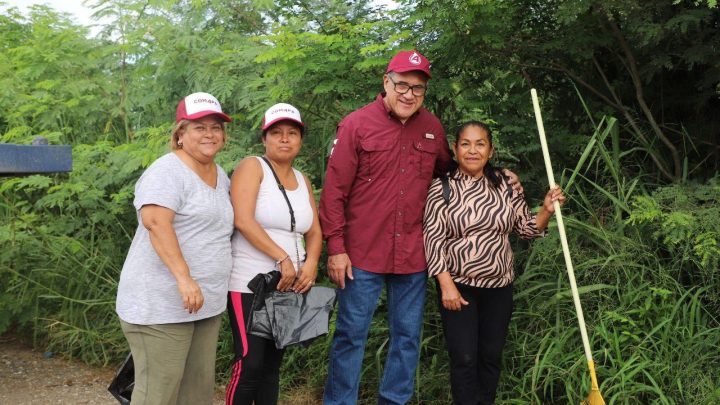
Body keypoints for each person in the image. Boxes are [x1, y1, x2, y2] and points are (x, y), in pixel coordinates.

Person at [319, 50, 521, 405]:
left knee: (407, 338)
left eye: (418, 88)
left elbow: (453, 171)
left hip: (413, 254)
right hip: (361, 254)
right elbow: (333, 192)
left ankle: (393, 401)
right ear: (386, 82)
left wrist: (498, 175)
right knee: (351, 336)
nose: (409, 94)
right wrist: (335, 248)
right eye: (402, 85)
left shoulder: (432, 128)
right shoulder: (356, 125)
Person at [423, 121, 566, 405]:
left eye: (480, 144)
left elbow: (526, 229)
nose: (472, 150)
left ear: (490, 150)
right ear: (455, 148)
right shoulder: (442, 187)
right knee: (464, 357)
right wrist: (446, 286)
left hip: (499, 287)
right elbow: (432, 238)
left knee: (490, 355)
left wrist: (546, 210)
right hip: (458, 288)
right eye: (465, 144)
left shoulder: (506, 183)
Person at [115, 92, 234, 405]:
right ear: (180, 134)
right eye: (199, 127)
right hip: (161, 303)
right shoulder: (166, 171)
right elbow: (156, 223)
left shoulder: (219, 175)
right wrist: (184, 278)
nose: (210, 134)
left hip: (204, 304)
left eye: (216, 127)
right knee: (158, 392)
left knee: (196, 392)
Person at [225, 103, 322, 405]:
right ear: (264, 139)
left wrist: (312, 265)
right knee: (249, 363)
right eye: (276, 133)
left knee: (271, 366)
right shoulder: (252, 166)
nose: (284, 139)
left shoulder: (302, 179)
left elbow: (314, 231)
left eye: (292, 133)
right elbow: (243, 219)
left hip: (288, 286)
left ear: (300, 140)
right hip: (249, 283)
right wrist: (283, 257)